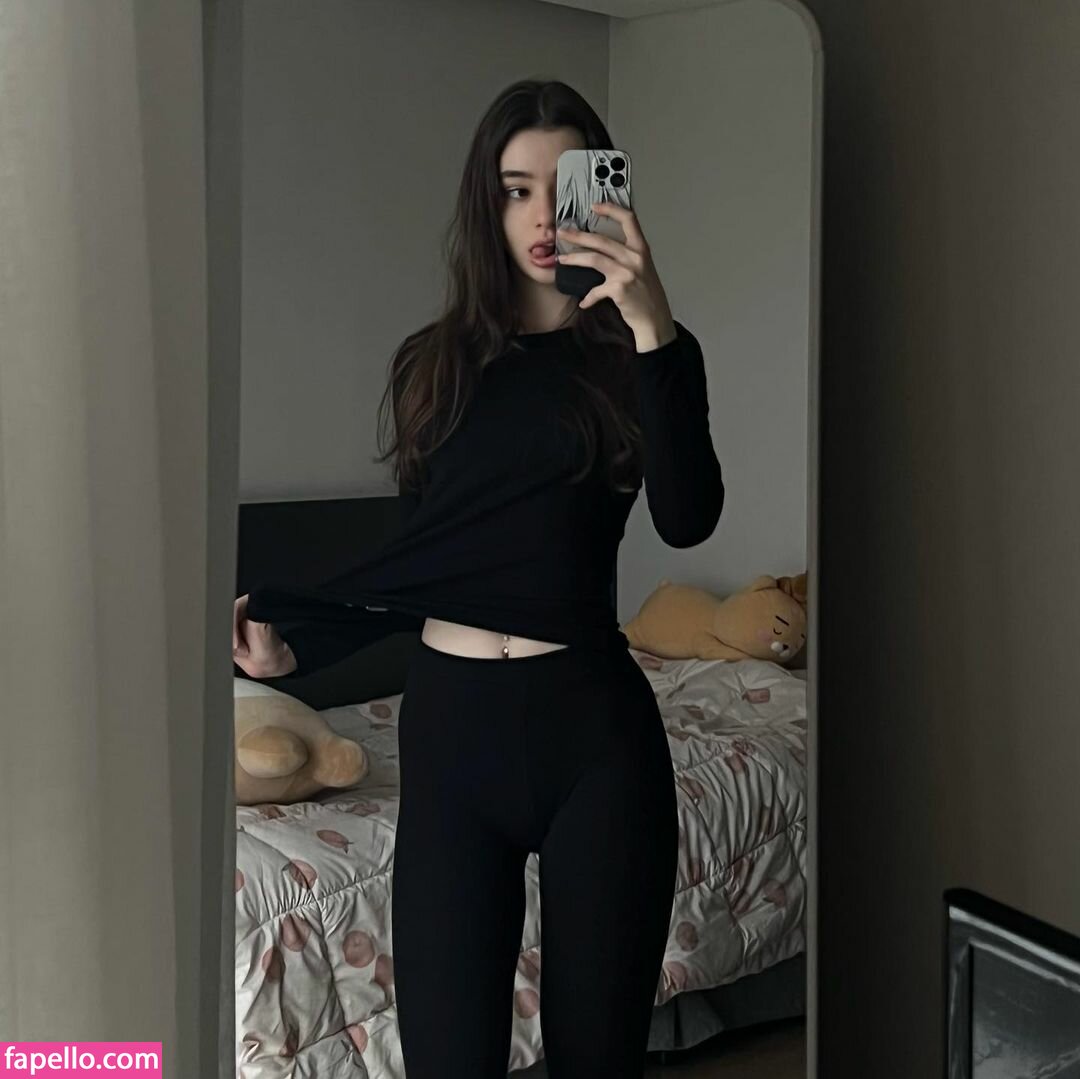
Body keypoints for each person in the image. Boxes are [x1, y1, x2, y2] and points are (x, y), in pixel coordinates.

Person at [232, 79, 724, 1079]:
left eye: (562, 186)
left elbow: (688, 518)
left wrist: (654, 328)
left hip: (594, 735)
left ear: (606, 194)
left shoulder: (643, 355)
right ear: (485, 206)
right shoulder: (437, 364)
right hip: (454, 733)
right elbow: (429, 561)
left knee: (599, 1059)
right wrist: (298, 650)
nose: (542, 218)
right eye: (515, 190)